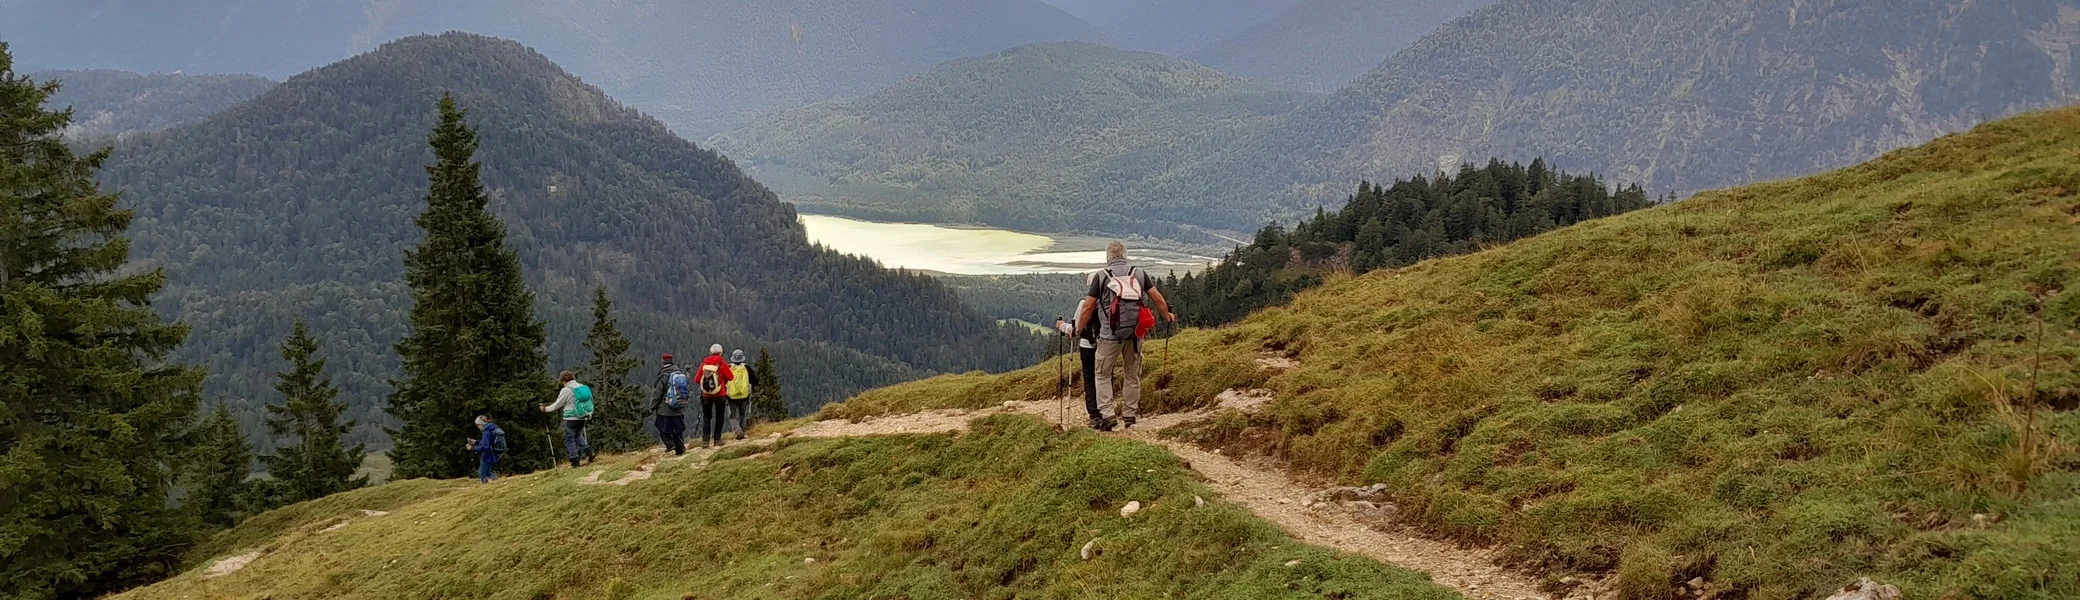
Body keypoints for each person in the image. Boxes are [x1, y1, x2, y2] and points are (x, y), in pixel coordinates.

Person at [1074, 241, 1175, 430]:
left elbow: (1088, 306)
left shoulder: (1101, 276)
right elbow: (1157, 298)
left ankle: (1107, 413)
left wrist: (1079, 329)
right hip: (1135, 335)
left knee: (1102, 374)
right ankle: (1130, 414)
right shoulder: (1138, 273)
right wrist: (1167, 316)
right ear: (1125, 255)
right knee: (1132, 374)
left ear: (1108, 257)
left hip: (1109, 336)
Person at [1055, 292, 1103, 430]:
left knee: (1090, 380)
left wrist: (1061, 325)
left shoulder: (1085, 303)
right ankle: (1107, 412)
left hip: (1087, 346)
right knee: (1105, 378)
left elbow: (1075, 330)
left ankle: (1094, 414)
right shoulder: (1109, 302)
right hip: (1107, 346)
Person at [540, 370, 596, 468]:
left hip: (571, 418)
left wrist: (545, 409)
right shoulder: (581, 387)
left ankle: (575, 461)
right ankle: (589, 452)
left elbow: (558, 404)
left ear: (564, 380)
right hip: (583, 416)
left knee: (569, 439)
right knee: (577, 435)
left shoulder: (566, 390)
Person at [696, 344, 736, 448]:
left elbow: (696, 379)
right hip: (720, 394)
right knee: (719, 416)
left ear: (710, 352)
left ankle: (705, 441)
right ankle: (717, 440)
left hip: (706, 395)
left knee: (706, 417)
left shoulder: (704, 363)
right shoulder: (722, 363)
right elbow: (731, 377)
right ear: (720, 353)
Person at [651, 353, 691, 455]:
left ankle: (669, 444)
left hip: (665, 409)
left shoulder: (662, 376)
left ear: (663, 362)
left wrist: (652, 406)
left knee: (662, 428)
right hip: (678, 408)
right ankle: (680, 450)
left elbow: (656, 394)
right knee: (678, 430)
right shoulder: (679, 374)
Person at [725, 349, 759, 440]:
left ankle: (737, 430)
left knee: (732, 415)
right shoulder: (746, 368)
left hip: (731, 396)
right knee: (742, 414)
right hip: (744, 396)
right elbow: (755, 381)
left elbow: (723, 380)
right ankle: (742, 432)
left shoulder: (728, 367)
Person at [466, 415, 505, 484]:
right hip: (494, 453)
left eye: (477, 425)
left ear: (481, 424)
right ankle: (497, 482)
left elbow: (485, 447)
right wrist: (476, 442)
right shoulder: (492, 427)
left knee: (482, 473)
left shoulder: (486, 432)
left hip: (488, 455)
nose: (477, 427)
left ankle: (485, 487)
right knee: (488, 472)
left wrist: (472, 448)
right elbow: (489, 441)